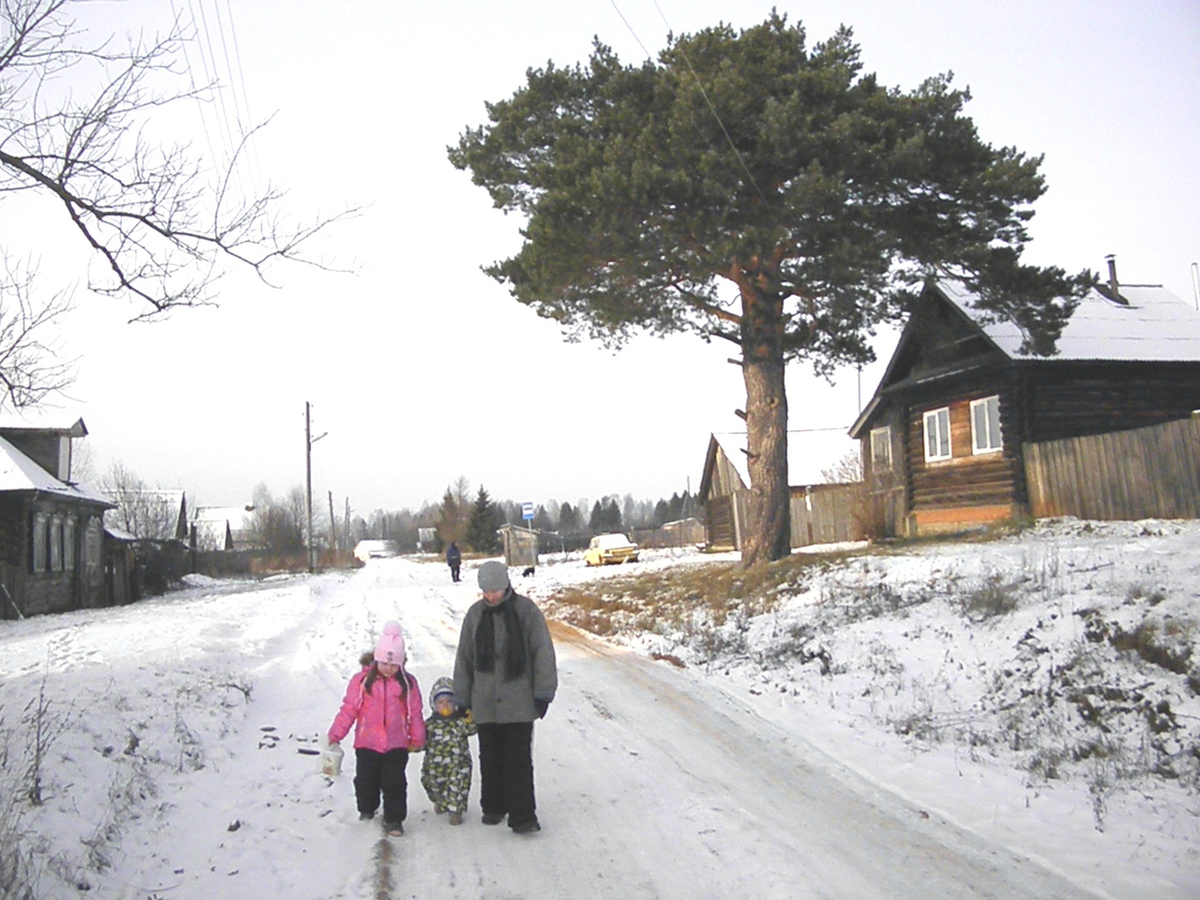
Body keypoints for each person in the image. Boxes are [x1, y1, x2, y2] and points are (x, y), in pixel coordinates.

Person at [453, 560, 557, 834]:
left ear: (506, 585)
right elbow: (464, 658)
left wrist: (543, 692)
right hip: (485, 701)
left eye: (495, 590)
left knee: (518, 759)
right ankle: (493, 806)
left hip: (519, 701)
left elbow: (542, 652)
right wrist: (461, 698)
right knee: (490, 756)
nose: (491, 596)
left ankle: (523, 816)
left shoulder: (526, 612)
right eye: (486, 591)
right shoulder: (475, 616)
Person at [328, 621, 425, 836]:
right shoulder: (362, 681)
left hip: (396, 743)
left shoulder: (407, 684)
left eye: (393, 665)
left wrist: (417, 737)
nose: (388, 669)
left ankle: (394, 819)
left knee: (394, 782)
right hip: (367, 742)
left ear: (400, 664)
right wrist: (336, 733)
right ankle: (367, 807)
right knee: (366, 780)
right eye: (384, 663)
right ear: (376, 660)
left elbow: (414, 712)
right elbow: (349, 709)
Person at [419, 676, 477, 825]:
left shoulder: (460, 722)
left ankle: (455, 812)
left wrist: (470, 718)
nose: (445, 705)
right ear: (434, 704)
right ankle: (439, 801)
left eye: (449, 701)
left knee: (457, 786)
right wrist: (412, 744)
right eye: (440, 702)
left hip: (458, 764)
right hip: (434, 766)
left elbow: (472, 729)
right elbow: (420, 741)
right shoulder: (429, 725)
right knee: (433, 784)